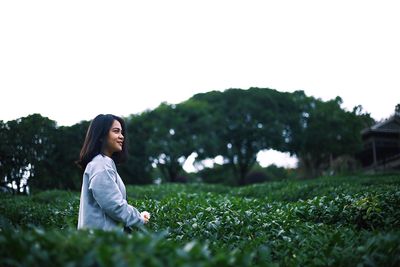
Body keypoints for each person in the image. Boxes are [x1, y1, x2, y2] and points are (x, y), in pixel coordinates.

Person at [77, 114, 150, 231]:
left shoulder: (103, 163)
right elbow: (114, 206)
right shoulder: (101, 165)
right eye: (116, 131)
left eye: (122, 132)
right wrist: (140, 219)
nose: (121, 136)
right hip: (102, 243)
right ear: (101, 136)